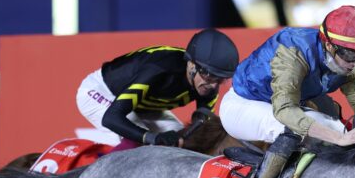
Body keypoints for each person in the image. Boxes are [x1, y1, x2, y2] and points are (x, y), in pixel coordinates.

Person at [220, 5, 355, 178]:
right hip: (242, 105)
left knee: (334, 124)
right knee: (301, 129)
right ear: (329, 44)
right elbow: (285, 111)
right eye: (350, 54)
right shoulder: (294, 51)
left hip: (280, 105)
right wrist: (339, 138)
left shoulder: (349, 68)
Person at [76, 29, 239, 151]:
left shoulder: (209, 84)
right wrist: (152, 137)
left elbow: (198, 127)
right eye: (209, 76)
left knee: (181, 145)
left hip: (143, 105)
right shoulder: (159, 70)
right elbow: (112, 117)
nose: (212, 85)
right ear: (191, 65)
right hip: (103, 92)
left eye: (220, 79)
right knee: (137, 143)